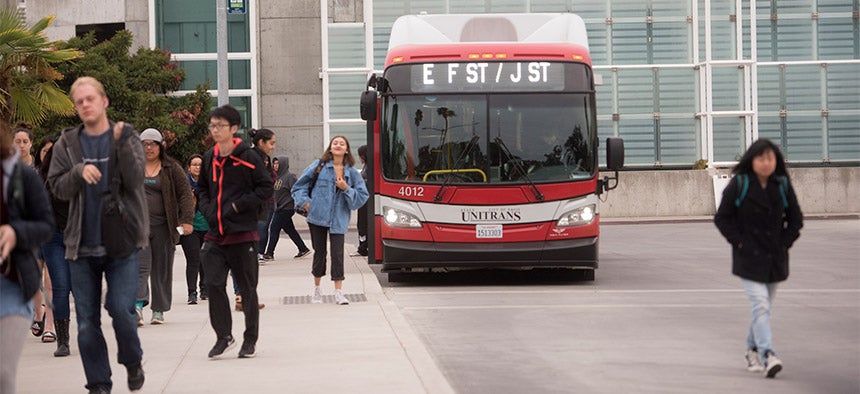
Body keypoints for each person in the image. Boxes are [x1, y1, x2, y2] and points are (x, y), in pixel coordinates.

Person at [47, 76, 147, 393]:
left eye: (90, 98)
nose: (85, 105)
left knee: (121, 310)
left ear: (103, 101)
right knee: (87, 322)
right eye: (79, 101)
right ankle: (99, 384)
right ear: (76, 108)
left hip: (122, 242)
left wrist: (120, 145)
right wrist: (77, 172)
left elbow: (135, 179)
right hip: (81, 246)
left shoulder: (125, 135)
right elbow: (57, 188)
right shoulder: (67, 144)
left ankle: (132, 361)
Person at [714, 138, 803, 379]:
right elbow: (722, 218)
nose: (766, 163)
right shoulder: (740, 184)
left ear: (776, 162)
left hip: (775, 258)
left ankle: (751, 350)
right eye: (761, 158)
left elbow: (796, 219)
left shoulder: (782, 185)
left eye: (770, 158)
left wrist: (784, 243)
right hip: (748, 257)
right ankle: (768, 355)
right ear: (752, 160)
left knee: (763, 308)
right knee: (761, 305)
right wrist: (739, 241)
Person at [198, 104, 273, 359]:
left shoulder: (248, 156)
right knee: (212, 283)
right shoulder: (209, 157)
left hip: (243, 235)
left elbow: (265, 188)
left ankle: (249, 339)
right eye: (212, 125)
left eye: (219, 126)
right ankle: (223, 336)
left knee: (247, 289)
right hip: (215, 235)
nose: (214, 130)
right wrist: (209, 210)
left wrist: (237, 206)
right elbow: (202, 189)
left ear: (233, 128)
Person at [0, 124, 54, 393]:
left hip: (10, 288)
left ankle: (45, 318)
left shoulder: (22, 176)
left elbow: (45, 224)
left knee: (2, 374)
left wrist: (15, 231)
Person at [292, 136, 368, 305]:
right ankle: (317, 289)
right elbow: (298, 187)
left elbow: (362, 197)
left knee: (338, 255)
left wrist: (346, 188)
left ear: (347, 149)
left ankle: (338, 292)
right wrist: (306, 203)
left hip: (339, 218)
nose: (338, 145)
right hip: (317, 217)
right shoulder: (319, 166)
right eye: (335, 143)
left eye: (342, 143)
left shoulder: (352, 173)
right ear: (330, 148)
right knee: (319, 253)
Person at [135, 128, 194, 325]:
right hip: (138, 227)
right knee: (139, 267)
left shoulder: (171, 168)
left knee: (161, 268)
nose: (148, 148)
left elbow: (185, 194)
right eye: (144, 144)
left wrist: (187, 220)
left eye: (152, 144)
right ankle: (137, 305)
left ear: (161, 146)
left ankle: (158, 310)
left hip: (164, 227)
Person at [13, 125, 56, 342]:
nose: (21, 146)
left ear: (31, 143)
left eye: (25, 141)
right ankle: (38, 314)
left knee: (49, 279)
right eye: (17, 141)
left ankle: (50, 325)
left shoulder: (40, 170)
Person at [38, 132, 74, 357]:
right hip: (53, 239)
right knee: (60, 286)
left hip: (79, 239)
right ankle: (63, 340)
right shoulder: (43, 178)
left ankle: (90, 333)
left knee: (81, 289)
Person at [264, 156, 311, 259]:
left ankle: (269, 253)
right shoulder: (278, 177)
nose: (275, 166)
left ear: (283, 164)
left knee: (274, 229)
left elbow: (297, 190)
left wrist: (300, 203)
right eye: (274, 163)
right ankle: (303, 248)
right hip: (279, 207)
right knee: (290, 230)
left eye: (277, 163)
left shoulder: (290, 177)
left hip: (286, 208)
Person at [179, 154, 209, 304]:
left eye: (200, 165)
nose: (198, 167)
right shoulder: (183, 183)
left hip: (208, 227)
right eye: (195, 164)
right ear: (189, 167)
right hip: (189, 227)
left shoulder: (209, 183)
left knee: (205, 259)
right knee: (193, 259)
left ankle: (204, 287)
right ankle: (192, 292)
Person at [249, 128, 277, 262]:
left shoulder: (261, 159)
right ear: (261, 142)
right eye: (271, 143)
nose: (273, 147)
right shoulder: (251, 158)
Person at [355, 145, 369, 256]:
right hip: (362, 201)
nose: (359, 158)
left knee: (363, 225)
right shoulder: (366, 167)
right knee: (361, 224)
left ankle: (363, 247)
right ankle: (362, 246)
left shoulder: (369, 168)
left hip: (365, 202)